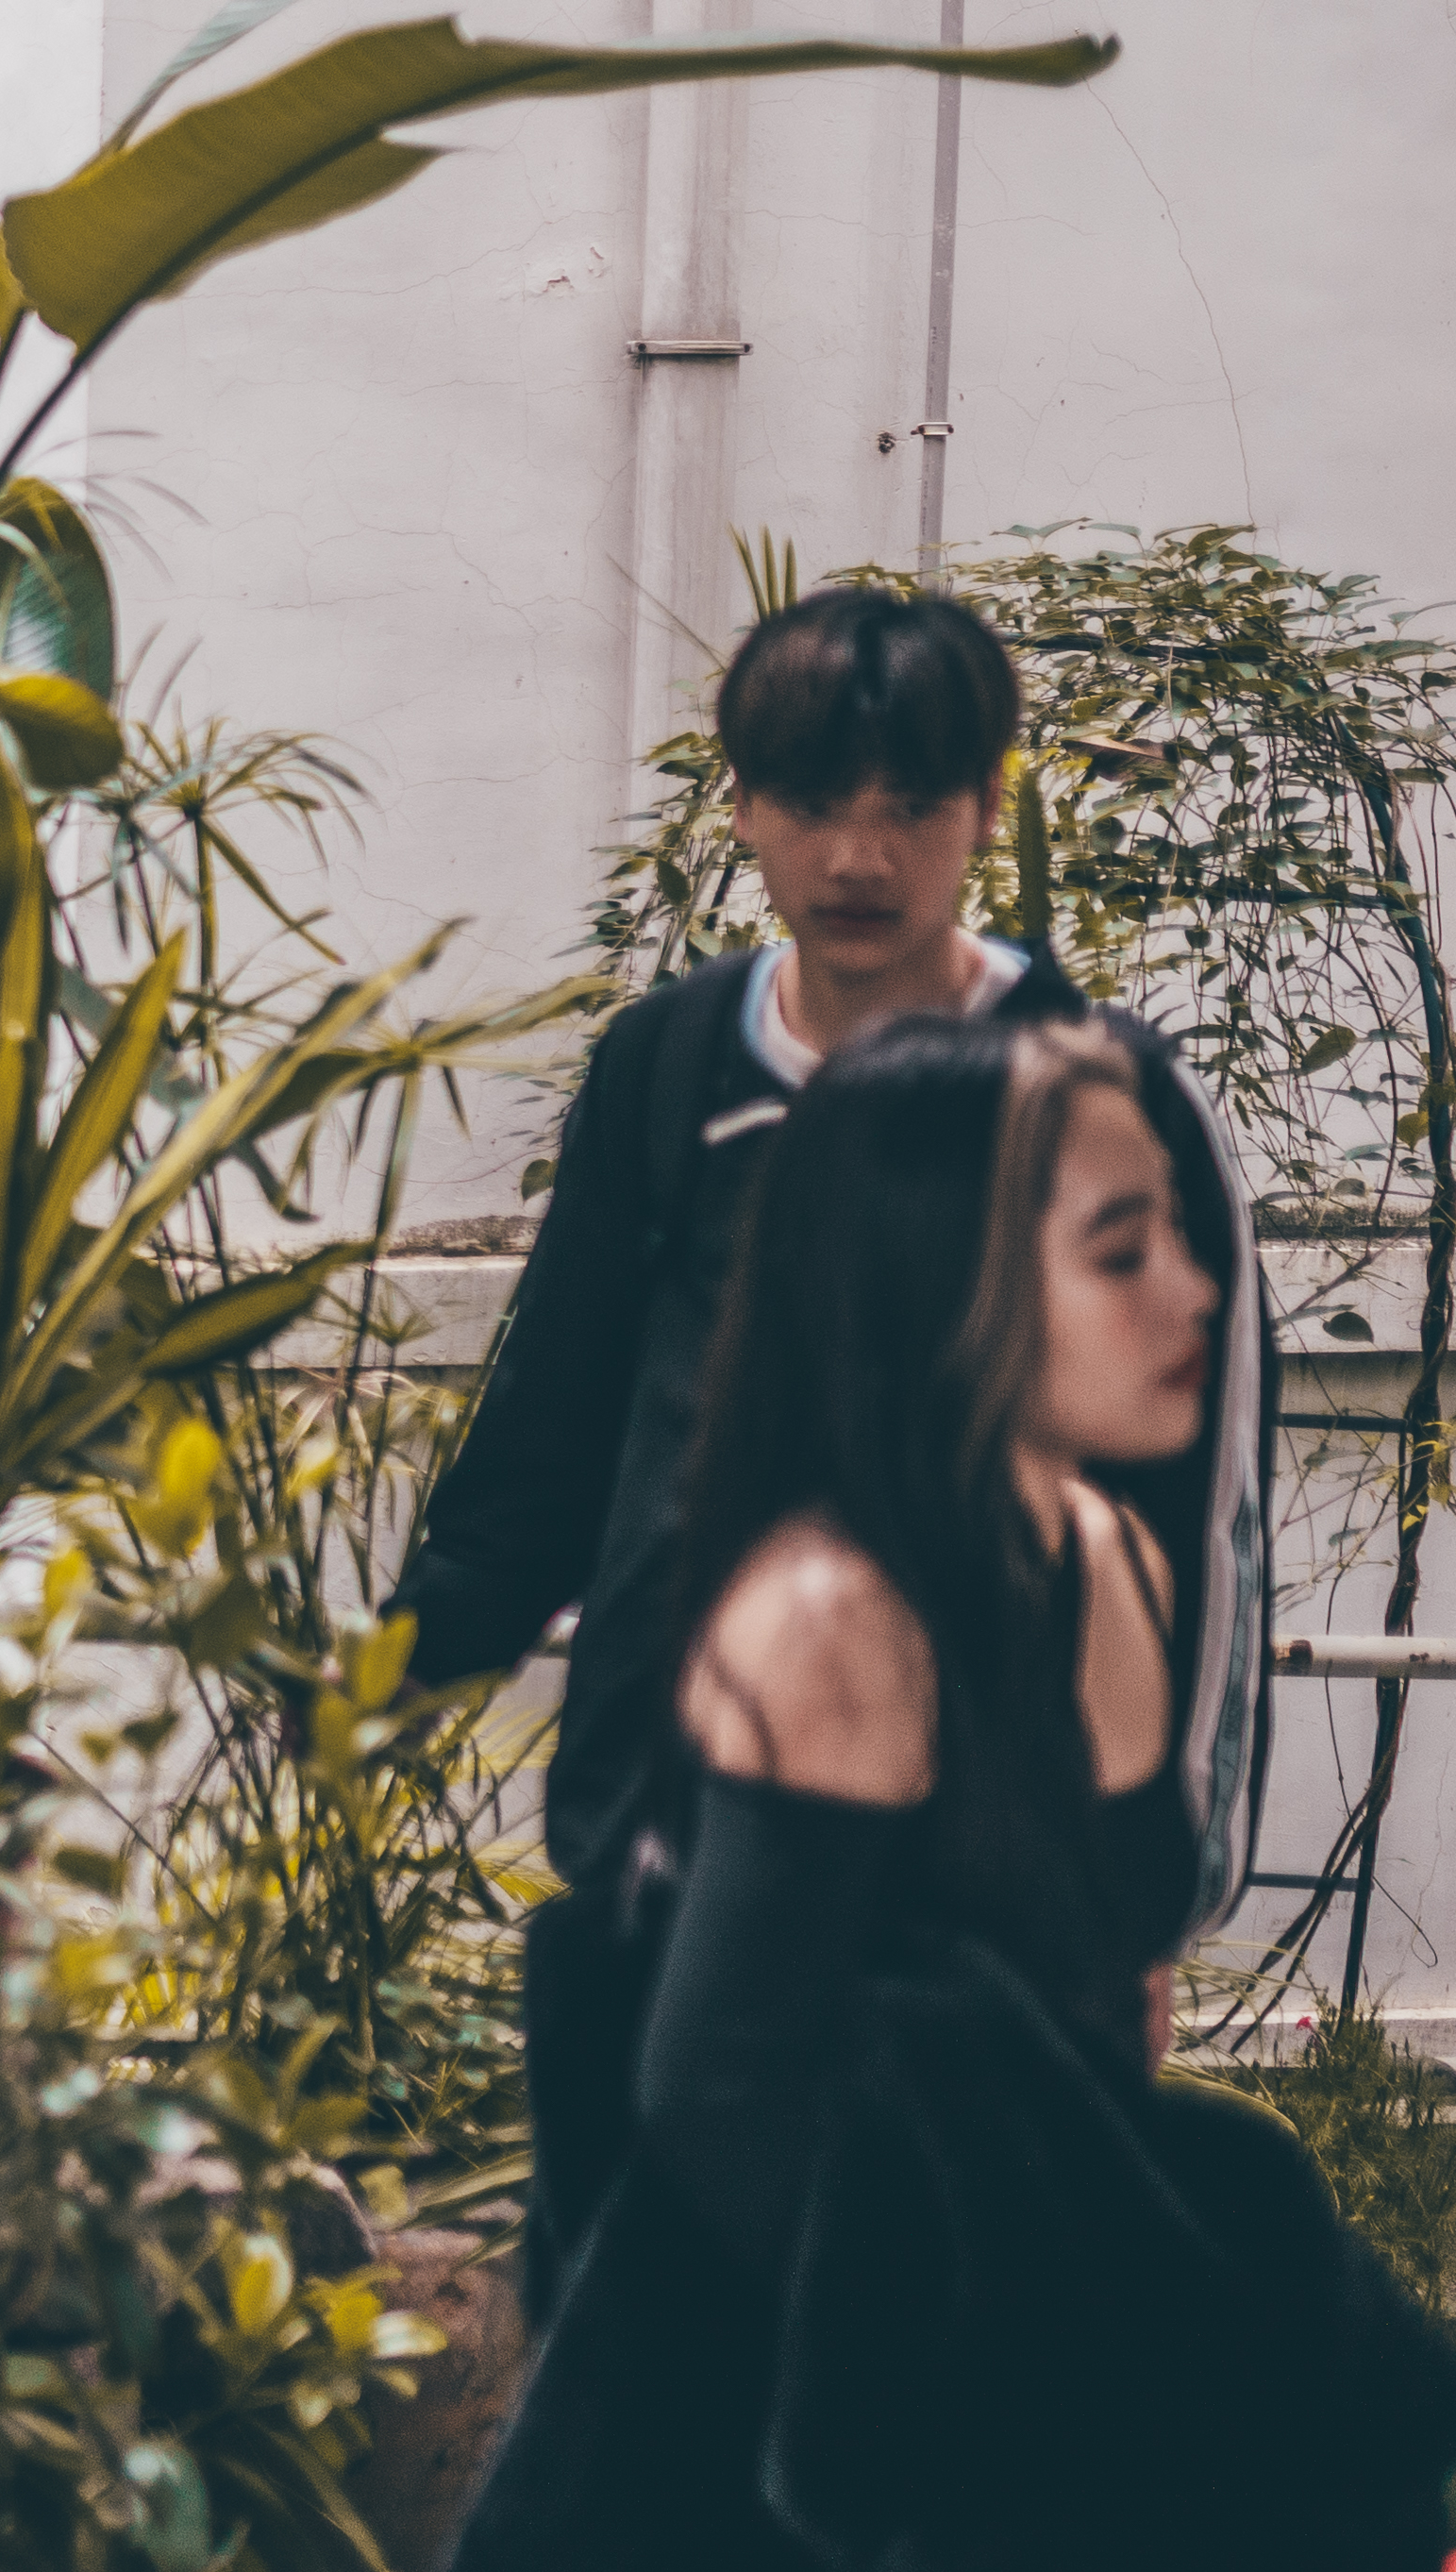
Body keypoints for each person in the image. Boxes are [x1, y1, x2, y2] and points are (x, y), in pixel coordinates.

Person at [451, 1016, 1456, 2569]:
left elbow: (1096, 2010)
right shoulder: (832, 1620)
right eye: (1121, 1254)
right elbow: (720, 2109)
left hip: (989, 2344)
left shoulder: (1104, 1555)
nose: (1196, 1295)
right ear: (945, 1286)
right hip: (780, 2411)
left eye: (1181, 1241)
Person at [387, 587, 1275, 2302]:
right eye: (809, 801)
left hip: (990, 1894)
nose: (857, 852)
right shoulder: (668, 1073)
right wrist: (377, 1675)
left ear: (986, 813)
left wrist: (1148, 1897)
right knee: (642, 2373)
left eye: (911, 805)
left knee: (930, 2399)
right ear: (741, 809)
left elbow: (1194, 1515)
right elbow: (556, 1435)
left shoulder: (1100, 1100)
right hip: (661, 1839)